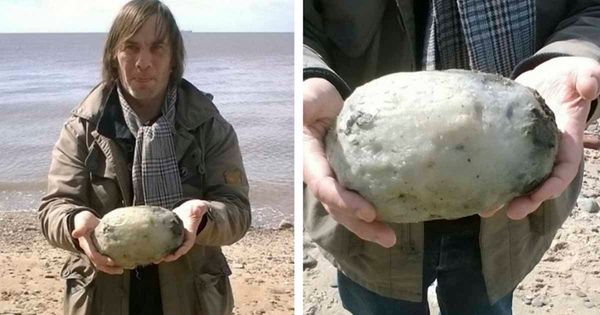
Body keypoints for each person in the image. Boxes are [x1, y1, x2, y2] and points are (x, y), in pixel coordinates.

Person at [304, 0, 600, 314]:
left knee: (485, 302)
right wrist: (308, 75)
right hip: (361, 215)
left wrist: (576, 53)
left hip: (507, 218)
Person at [38, 1, 250, 314]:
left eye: (157, 48)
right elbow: (53, 209)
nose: (143, 62)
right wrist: (75, 223)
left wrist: (204, 218)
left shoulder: (209, 127)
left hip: (190, 297)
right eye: (131, 47)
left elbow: (238, 211)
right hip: (103, 295)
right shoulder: (83, 129)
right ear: (114, 54)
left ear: (174, 57)